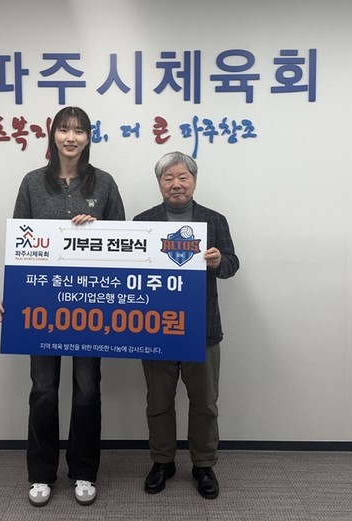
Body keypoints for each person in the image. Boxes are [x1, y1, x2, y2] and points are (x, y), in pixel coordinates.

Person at [0, 106, 125, 507]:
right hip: (41, 304)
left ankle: (84, 471)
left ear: (89, 138)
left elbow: (124, 244)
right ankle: (41, 473)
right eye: (64, 130)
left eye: (79, 131)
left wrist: (97, 230)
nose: (71, 137)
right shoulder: (32, 183)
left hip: (90, 303)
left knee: (87, 389)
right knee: (43, 389)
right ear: (52, 135)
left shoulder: (104, 183)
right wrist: (12, 296)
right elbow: (19, 244)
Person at [133, 151, 239, 500]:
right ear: (159, 183)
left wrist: (219, 261)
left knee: (205, 402)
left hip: (202, 328)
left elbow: (232, 265)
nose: (176, 184)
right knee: (158, 401)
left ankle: (203, 464)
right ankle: (162, 461)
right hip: (156, 327)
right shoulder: (143, 222)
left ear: (194, 181)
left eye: (183, 177)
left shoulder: (214, 220)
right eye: (168, 178)